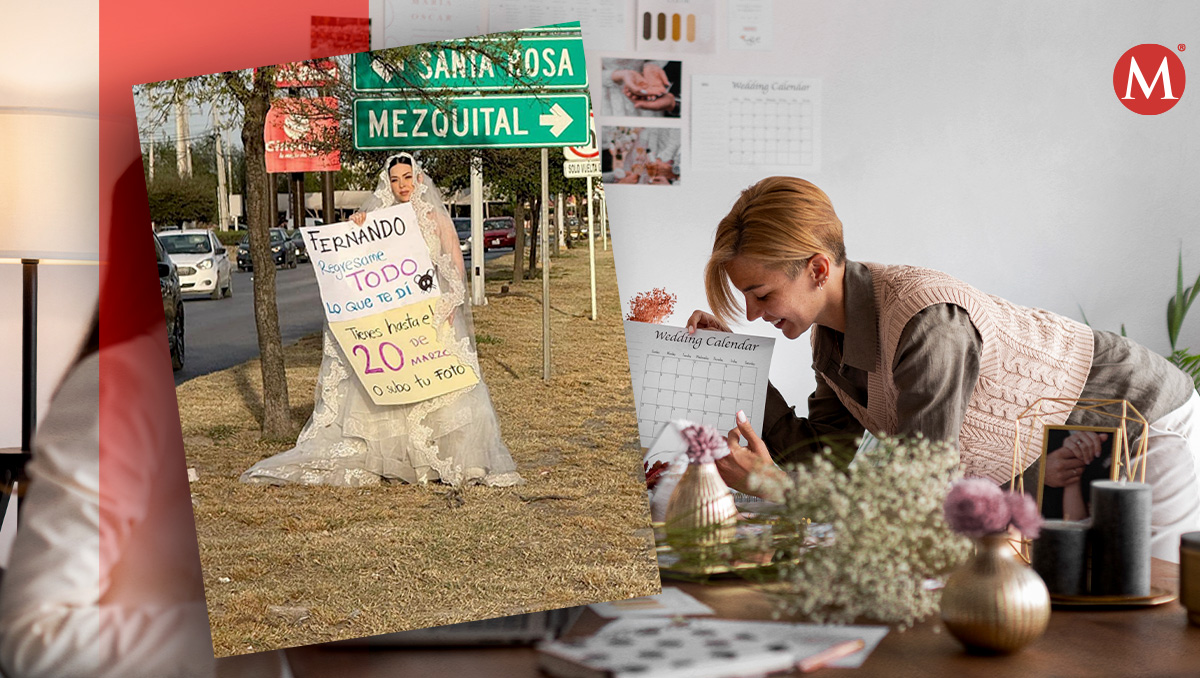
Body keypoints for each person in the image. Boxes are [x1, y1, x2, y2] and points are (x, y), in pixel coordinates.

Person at [687, 176, 1200, 562]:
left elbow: (921, 490)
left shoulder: (927, 323)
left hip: (1141, 421)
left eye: (761, 294)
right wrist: (740, 369)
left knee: (1146, 607)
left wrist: (775, 486)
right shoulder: (831, 342)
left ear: (818, 269)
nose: (753, 313)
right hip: (1058, 456)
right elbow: (820, 460)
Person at [241, 153, 522, 487]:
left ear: (418, 178)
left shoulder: (436, 217)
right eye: (395, 179)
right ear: (387, 183)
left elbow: (454, 271)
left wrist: (447, 306)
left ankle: (442, 459)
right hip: (391, 321)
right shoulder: (379, 218)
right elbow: (358, 261)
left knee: (443, 388)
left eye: (407, 177)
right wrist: (358, 225)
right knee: (394, 387)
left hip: (429, 317)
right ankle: (397, 459)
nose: (402, 185)